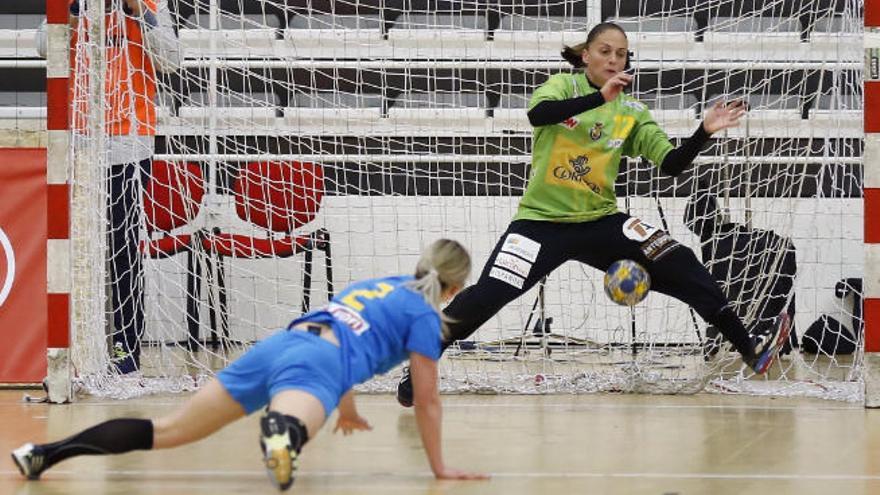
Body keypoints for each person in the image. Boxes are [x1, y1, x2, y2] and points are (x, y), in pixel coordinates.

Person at [396, 22, 791, 406]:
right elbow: (539, 115)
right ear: (586, 56)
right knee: (487, 297)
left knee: (680, 261)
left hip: (601, 222)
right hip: (540, 223)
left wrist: (703, 131)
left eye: (621, 54)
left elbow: (670, 164)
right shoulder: (562, 86)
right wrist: (599, 98)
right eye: (605, 51)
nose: (614, 59)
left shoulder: (632, 110)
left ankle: (749, 348)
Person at [11, 239, 488, 491]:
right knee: (292, 424)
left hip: (280, 345)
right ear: (456, 287)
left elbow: (351, 329)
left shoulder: (378, 284)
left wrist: (346, 407)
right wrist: (441, 468)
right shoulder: (426, 319)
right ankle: (282, 433)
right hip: (321, 365)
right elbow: (426, 403)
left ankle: (43, 454)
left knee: (169, 430)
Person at [37, 0, 182, 373]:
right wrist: (72, 10)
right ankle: (73, 349)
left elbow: (170, 59)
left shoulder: (151, 3)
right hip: (78, 144)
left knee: (123, 251)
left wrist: (138, 13)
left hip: (130, 143)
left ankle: (125, 352)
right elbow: (43, 46)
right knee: (75, 250)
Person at [683, 190, 799, 357]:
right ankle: (752, 340)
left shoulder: (717, 244)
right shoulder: (715, 243)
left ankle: (758, 340)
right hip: (750, 262)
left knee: (733, 297)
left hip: (756, 261)